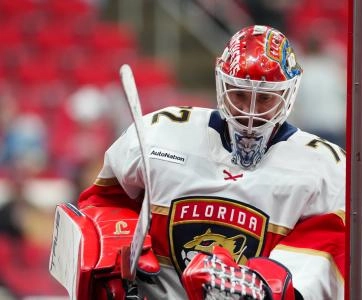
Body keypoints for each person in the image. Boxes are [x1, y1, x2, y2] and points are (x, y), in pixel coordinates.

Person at [49, 25, 346, 300]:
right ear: (221, 84)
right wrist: (117, 248)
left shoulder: (324, 167)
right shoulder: (160, 132)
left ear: (288, 94)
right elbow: (102, 203)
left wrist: (264, 285)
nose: (250, 113)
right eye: (240, 95)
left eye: (265, 99)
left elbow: (329, 251)